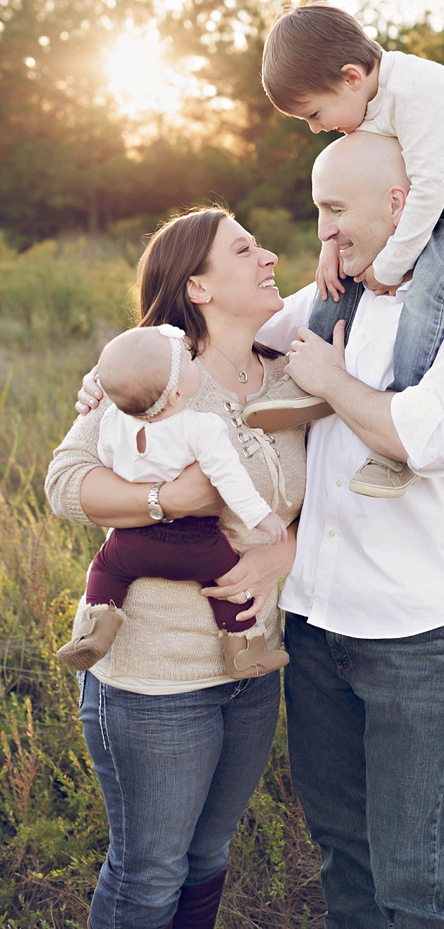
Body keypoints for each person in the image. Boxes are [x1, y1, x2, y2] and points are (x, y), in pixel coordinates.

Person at [262, 131, 444, 927]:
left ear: (399, 203)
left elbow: (423, 436)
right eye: (317, 210)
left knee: (416, 879)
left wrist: (330, 380)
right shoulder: (332, 294)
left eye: (334, 209)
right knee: (344, 858)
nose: (323, 231)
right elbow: (234, 337)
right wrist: (125, 372)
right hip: (313, 624)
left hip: (415, 633)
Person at [47, 207, 307, 929]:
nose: (270, 256)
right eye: (246, 248)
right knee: (150, 870)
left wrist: (282, 551)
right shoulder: (151, 376)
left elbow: (333, 500)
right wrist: (164, 499)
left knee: (208, 854)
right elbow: (66, 483)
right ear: (198, 285)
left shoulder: (291, 377)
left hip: (252, 666)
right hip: (154, 681)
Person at [252, 0, 444, 498]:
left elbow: (427, 190)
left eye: (314, 113)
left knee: (431, 286)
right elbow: (357, 186)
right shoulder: (367, 101)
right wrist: (332, 244)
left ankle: (401, 410)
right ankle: (306, 374)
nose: (314, 128)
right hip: (437, 205)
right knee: (339, 276)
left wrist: (392, 264)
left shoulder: (417, 91)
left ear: (352, 78)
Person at [56, 324, 290, 678]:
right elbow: (231, 480)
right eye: (189, 362)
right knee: (230, 586)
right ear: (177, 396)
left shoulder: (113, 422)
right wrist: (262, 517)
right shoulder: (201, 427)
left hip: (131, 541)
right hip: (196, 544)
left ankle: (99, 627)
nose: (196, 364)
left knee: (104, 569)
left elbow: (105, 461)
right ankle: (243, 649)